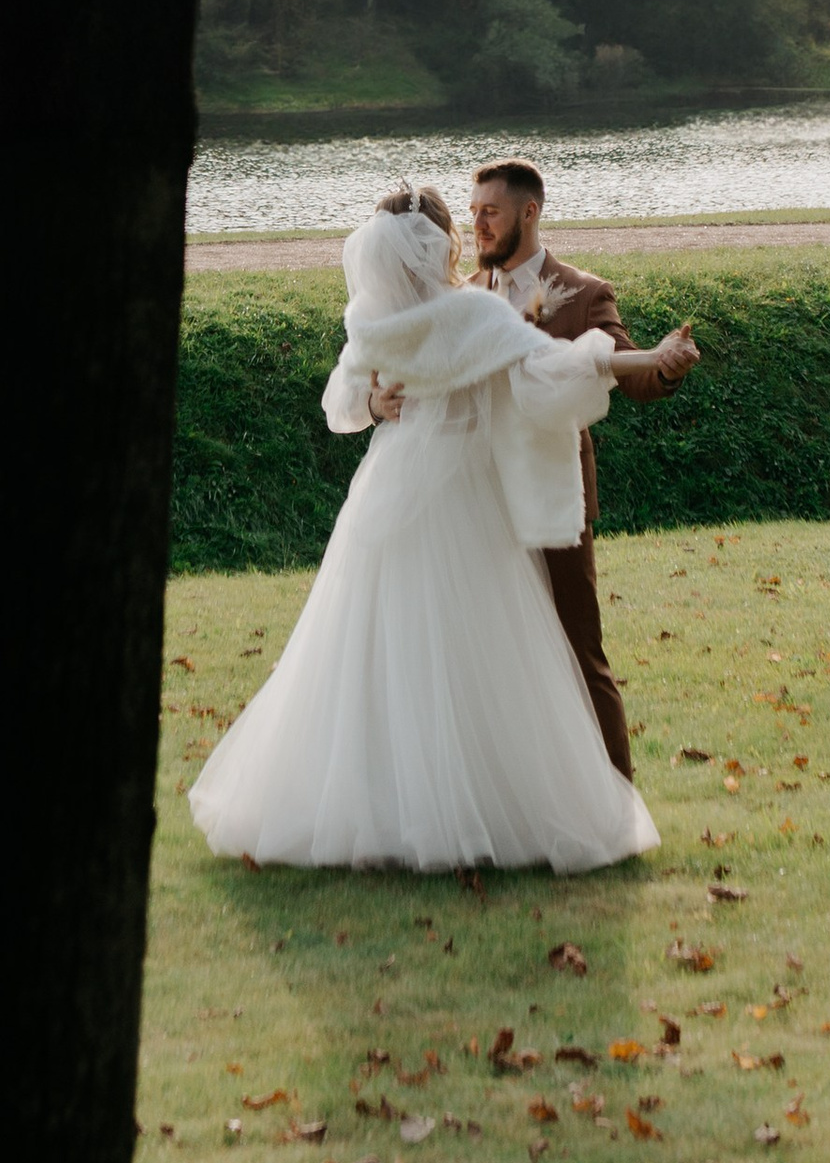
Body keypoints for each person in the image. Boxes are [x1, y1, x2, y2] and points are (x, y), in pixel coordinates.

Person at [185, 186, 659, 873]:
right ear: (444, 244)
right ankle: (485, 809)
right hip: (466, 499)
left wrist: (373, 401)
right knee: (479, 656)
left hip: (387, 492)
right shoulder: (471, 312)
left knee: (381, 652)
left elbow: (339, 403)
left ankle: (382, 812)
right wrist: (635, 360)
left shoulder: (374, 319)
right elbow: (550, 366)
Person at [372, 158, 698, 778]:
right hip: (478, 506)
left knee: (579, 649)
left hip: (551, 498)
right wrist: (373, 399)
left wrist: (664, 367)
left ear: (530, 211)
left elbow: (629, 371)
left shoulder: (583, 291)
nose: (478, 225)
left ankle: (615, 794)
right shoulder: (463, 296)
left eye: (489, 213)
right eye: (472, 214)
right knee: (501, 660)